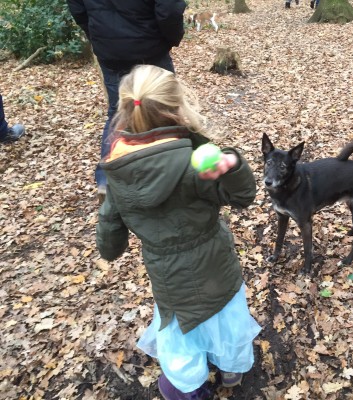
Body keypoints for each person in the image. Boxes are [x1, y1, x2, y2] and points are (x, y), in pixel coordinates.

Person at [95, 64, 261, 400]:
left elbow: (110, 245)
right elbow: (243, 196)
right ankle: (230, 371)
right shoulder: (194, 159)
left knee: (182, 335)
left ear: (126, 109)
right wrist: (232, 165)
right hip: (217, 269)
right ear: (176, 108)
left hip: (170, 283)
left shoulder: (118, 171)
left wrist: (111, 230)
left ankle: (188, 389)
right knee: (226, 320)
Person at [67, 0, 187, 200]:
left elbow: (78, 9)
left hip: (110, 51)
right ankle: (177, 174)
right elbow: (170, 9)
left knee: (118, 112)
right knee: (167, 109)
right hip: (151, 48)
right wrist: (169, 39)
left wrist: (98, 37)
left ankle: (107, 178)